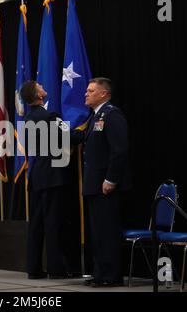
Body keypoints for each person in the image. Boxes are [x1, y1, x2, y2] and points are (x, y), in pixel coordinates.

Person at [72, 77, 132, 287]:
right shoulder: (95, 116)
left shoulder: (112, 114)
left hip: (106, 185)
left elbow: (119, 150)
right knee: (97, 233)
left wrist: (111, 179)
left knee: (107, 232)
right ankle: (100, 273)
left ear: (103, 94)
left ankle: (111, 275)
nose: (85, 94)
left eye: (90, 91)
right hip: (93, 185)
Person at [19, 80, 72, 279]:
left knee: (36, 224)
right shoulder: (49, 116)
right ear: (38, 95)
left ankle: (33, 268)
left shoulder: (28, 119)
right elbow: (67, 136)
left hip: (36, 176)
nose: (43, 86)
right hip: (52, 176)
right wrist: (84, 134)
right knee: (52, 223)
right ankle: (56, 269)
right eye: (40, 86)